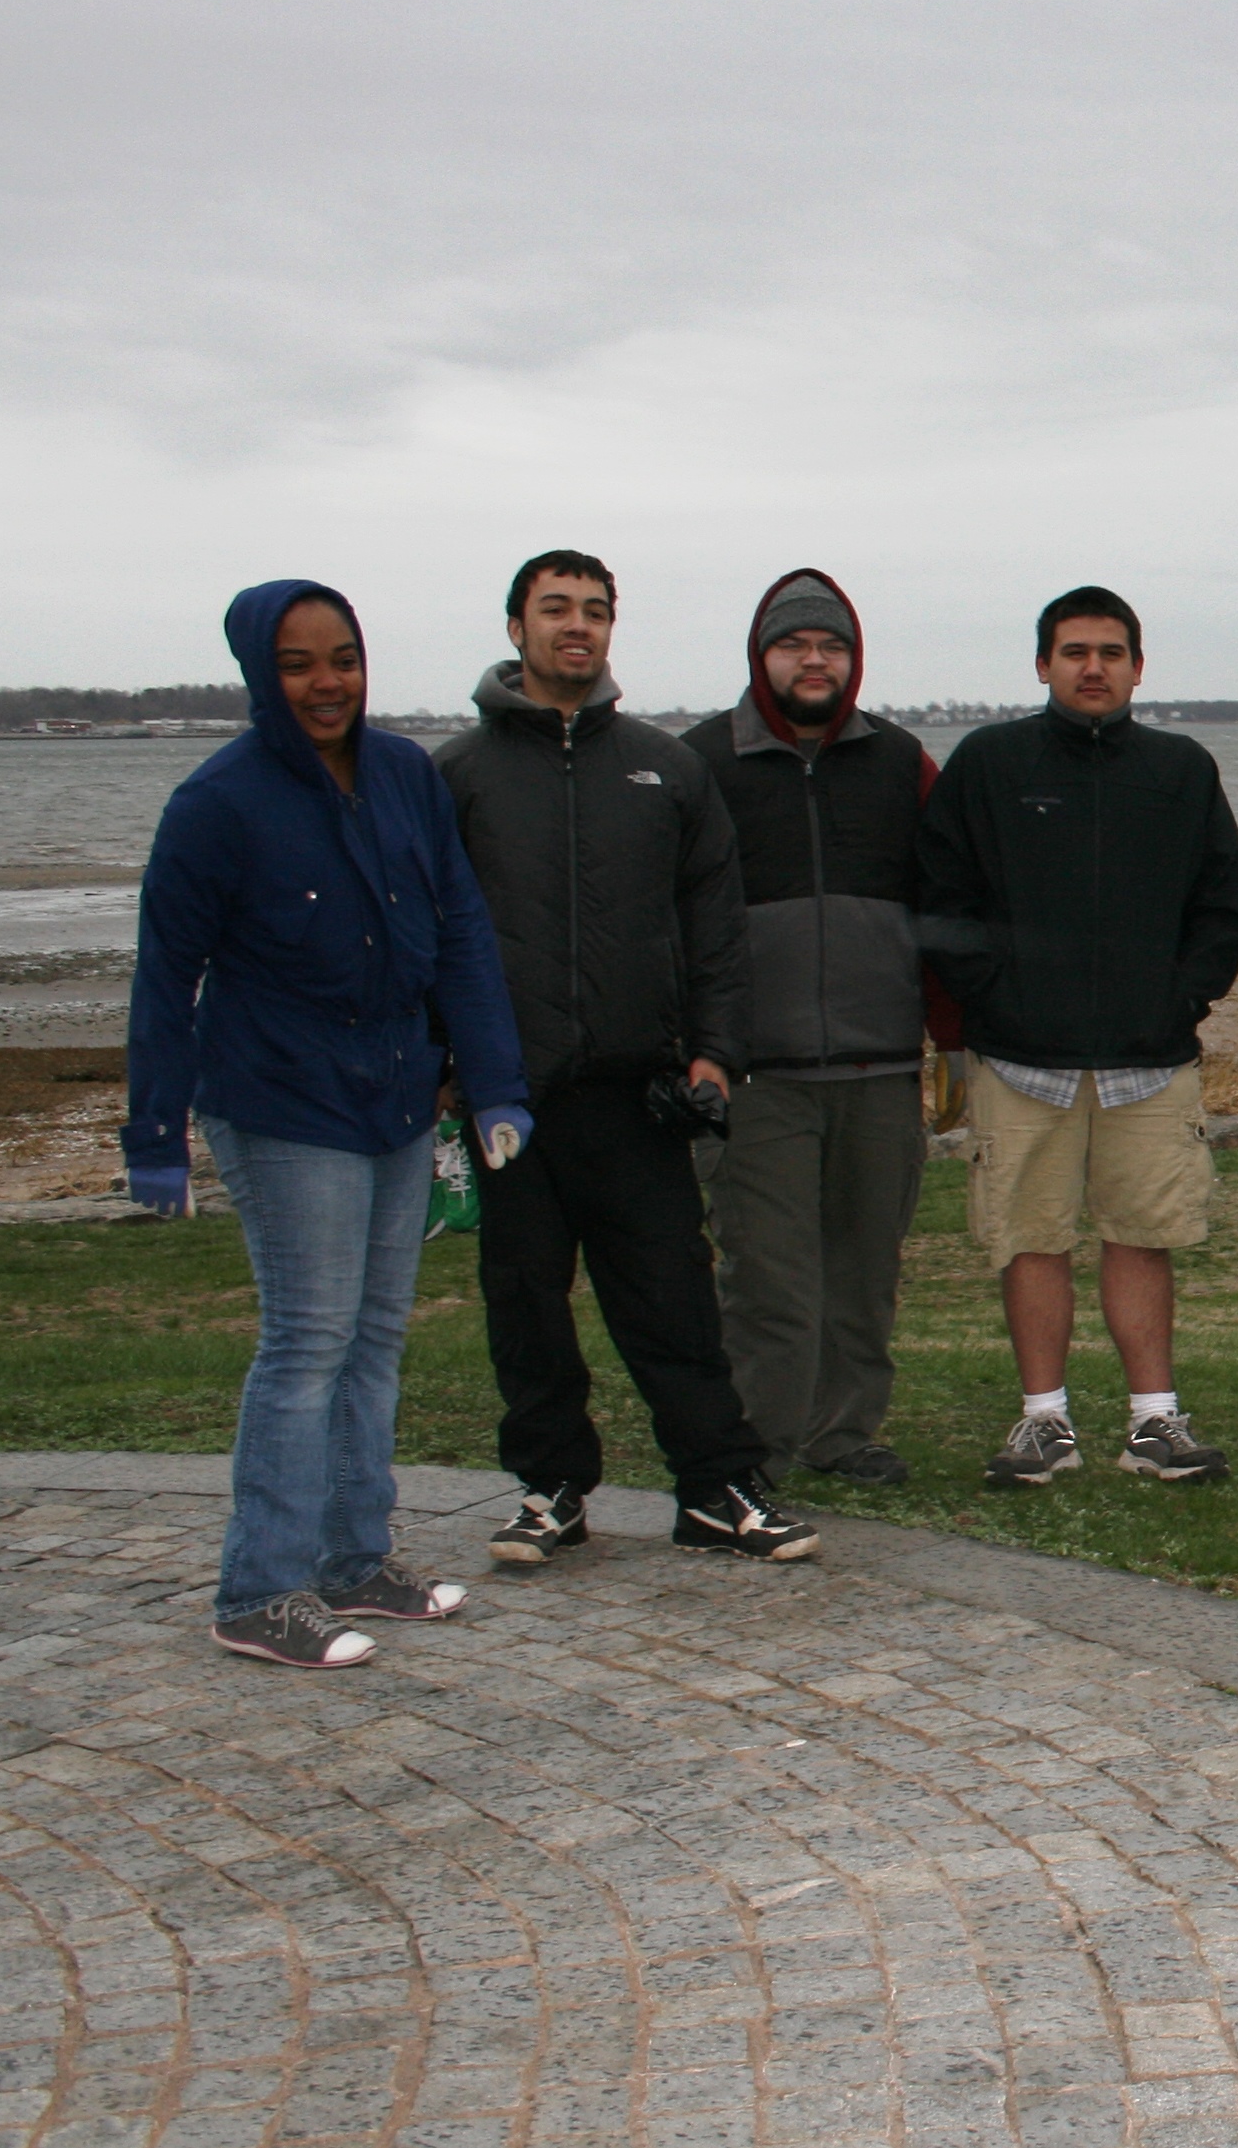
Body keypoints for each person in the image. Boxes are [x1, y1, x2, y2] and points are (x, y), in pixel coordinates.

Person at [128, 581, 533, 1666]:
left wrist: (494, 1083)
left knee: (374, 1338)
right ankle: (260, 1588)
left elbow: (460, 933)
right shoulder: (216, 803)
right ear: (263, 672)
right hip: (278, 1097)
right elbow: (167, 975)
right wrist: (153, 1136)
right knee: (308, 1341)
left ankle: (357, 1558)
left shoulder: (403, 774)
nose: (327, 682)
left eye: (343, 658)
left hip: (396, 1095)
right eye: (301, 663)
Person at [440, 551, 816, 1565]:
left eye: (595, 611)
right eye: (555, 608)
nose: (578, 626)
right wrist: (445, 1064)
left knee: (674, 1304)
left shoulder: (665, 768)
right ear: (515, 626)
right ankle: (550, 1489)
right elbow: (426, 929)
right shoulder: (458, 775)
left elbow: (715, 929)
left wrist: (716, 1054)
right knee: (525, 1308)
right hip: (508, 1101)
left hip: (638, 1095)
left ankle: (715, 1486)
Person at [920, 585, 1238, 1488]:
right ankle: (1043, 1422)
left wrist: (1177, 1001)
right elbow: (942, 900)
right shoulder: (990, 764)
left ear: (1138, 667)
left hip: (1148, 1061)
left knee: (1143, 1232)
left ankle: (1154, 1421)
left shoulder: (1180, 769)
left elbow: (1221, 906)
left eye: (1111, 652)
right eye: (1075, 652)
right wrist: (994, 996)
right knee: (1031, 1237)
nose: (1093, 667)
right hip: (1021, 1058)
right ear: (1043, 665)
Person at [681, 569, 952, 1489]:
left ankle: (845, 1432)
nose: (813, 660)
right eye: (794, 644)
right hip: (758, 1075)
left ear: (854, 658)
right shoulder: (700, 764)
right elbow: (666, 918)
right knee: (768, 1280)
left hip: (878, 1069)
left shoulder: (901, 761)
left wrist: (947, 1038)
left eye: (830, 644)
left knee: (864, 1273)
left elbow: (945, 904)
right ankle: (756, 1441)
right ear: (762, 656)